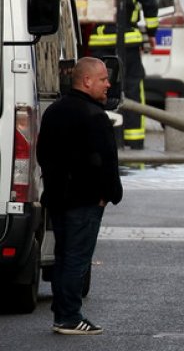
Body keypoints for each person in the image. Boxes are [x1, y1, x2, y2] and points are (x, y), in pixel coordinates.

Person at [37, 57, 123, 335]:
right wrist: (108, 194)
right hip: (85, 201)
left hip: (58, 199)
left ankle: (62, 312)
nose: (108, 84)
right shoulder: (94, 116)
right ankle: (70, 317)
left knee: (63, 256)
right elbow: (105, 161)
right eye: (103, 79)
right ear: (87, 81)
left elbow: (43, 155)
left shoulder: (53, 112)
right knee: (77, 259)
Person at [88, 0, 158, 150]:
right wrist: (152, 34)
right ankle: (134, 140)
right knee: (133, 87)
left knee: (101, 89)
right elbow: (151, 8)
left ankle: (103, 139)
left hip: (99, 41)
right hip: (128, 42)